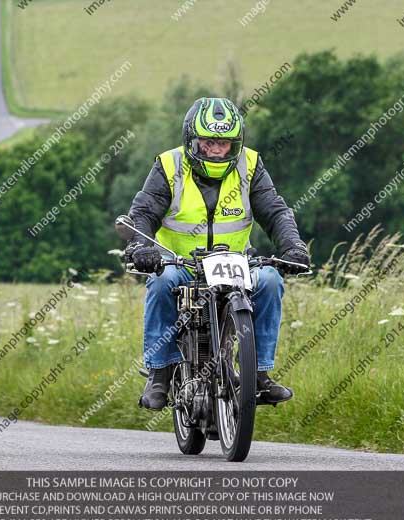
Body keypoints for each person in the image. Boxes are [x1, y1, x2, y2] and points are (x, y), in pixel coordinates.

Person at [126, 97, 310, 410]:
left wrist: (293, 246)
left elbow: (275, 211)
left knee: (269, 280)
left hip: (236, 262)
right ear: (192, 140)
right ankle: (160, 374)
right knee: (160, 282)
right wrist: (140, 247)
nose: (216, 150)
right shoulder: (169, 165)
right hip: (181, 264)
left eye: (224, 144)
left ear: (235, 144)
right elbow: (143, 211)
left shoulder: (250, 165)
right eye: (209, 142)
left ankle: (260, 373)